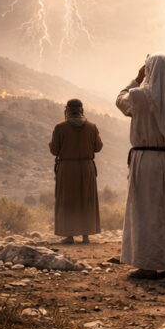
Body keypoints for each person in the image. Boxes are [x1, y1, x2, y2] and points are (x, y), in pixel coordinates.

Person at [116, 52, 165, 279]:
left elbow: (120, 101)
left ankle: (147, 264)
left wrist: (135, 79)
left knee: (146, 212)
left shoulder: (139, 95)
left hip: (146, 160)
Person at [49, 98, 103, 244]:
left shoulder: (60, 127)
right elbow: (98, 147)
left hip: (67, 168)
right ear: (82, 110)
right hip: (87, 167)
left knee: (68, 200)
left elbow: (54, 150)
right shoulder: (92, 127)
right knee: (86, 199)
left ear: (67, 110)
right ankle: (86, 235)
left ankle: (69, 235)